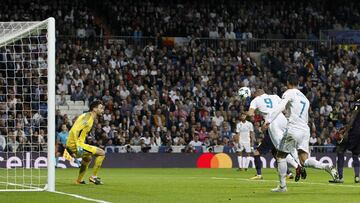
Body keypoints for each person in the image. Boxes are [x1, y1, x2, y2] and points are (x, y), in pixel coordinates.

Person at [266, 74, 338, 192]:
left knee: (280, 156)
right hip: (305, 130)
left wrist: (269, 120)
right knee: (304, 160)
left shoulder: (289, 92)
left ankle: (283, 187)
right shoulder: (304, 97)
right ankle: (327, 166)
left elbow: (280, 107)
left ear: (289, 83)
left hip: (293, 129)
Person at [247, 89, 305, 181]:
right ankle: (298, 165)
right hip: (283, 120)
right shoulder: (274, 96)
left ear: (257, 94)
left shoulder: (256, 100)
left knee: (280, 149)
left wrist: (248, 114)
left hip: (272, 122)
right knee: (287, 146)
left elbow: (251, 113)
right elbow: (285, 109)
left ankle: (297, 166)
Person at [66, 100, 105, 185]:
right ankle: (93, 177)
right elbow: (74, 131)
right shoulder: (87, 118)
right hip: (76, 144)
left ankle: (79, 180)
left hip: (74, 143)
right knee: (101, 153)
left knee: (87, 158)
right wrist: (76, 145)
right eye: (101, 108)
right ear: (94, 109)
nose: (103, 110)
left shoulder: (89, 117)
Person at [330, 95, 360, 183]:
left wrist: (346, 131)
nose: (356, 93)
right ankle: (357, 176)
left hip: (354, 132)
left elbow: (353, 117)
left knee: (340, 150)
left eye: (358, 91)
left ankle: (340, 177)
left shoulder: (358, 102)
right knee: (355, 154)